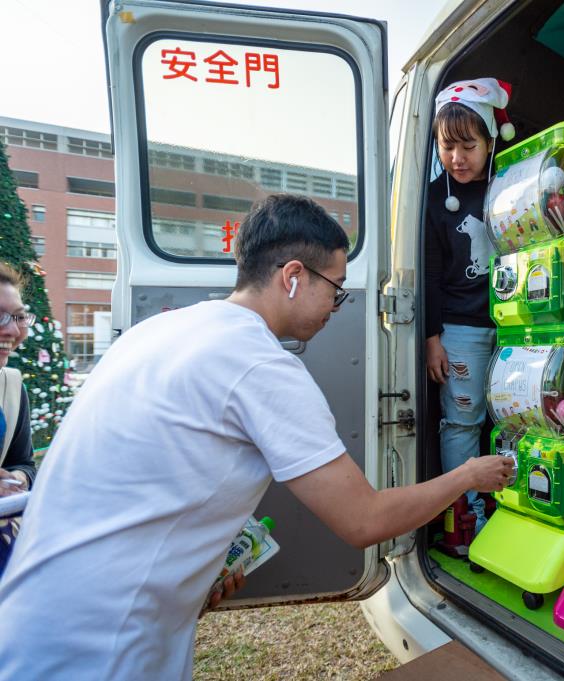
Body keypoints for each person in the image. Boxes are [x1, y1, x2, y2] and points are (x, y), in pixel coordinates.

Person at [0, 194, 513, 680]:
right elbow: (365, 519)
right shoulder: (262, 366)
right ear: (293, 276)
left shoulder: (156, 332)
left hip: (34, 616)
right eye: (334, 290)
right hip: (99, 648)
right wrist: (468, 474)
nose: (335, 307)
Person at [424, 77, 515, 533]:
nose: (457, 158)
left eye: (468, 145)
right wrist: (431, 338)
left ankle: (517, 509)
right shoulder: (435, 200)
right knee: (462, 422)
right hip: (460, 330)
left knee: (519, 418)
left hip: (520, 326)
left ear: (491, 140)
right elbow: (429, 274)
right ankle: (462, 520)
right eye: (447, 147)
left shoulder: (512, 187)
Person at [0, 262, 36, 499]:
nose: (13, 330)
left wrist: (15, 479)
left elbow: (24, 464)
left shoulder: (10, 387)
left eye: (19, 317)